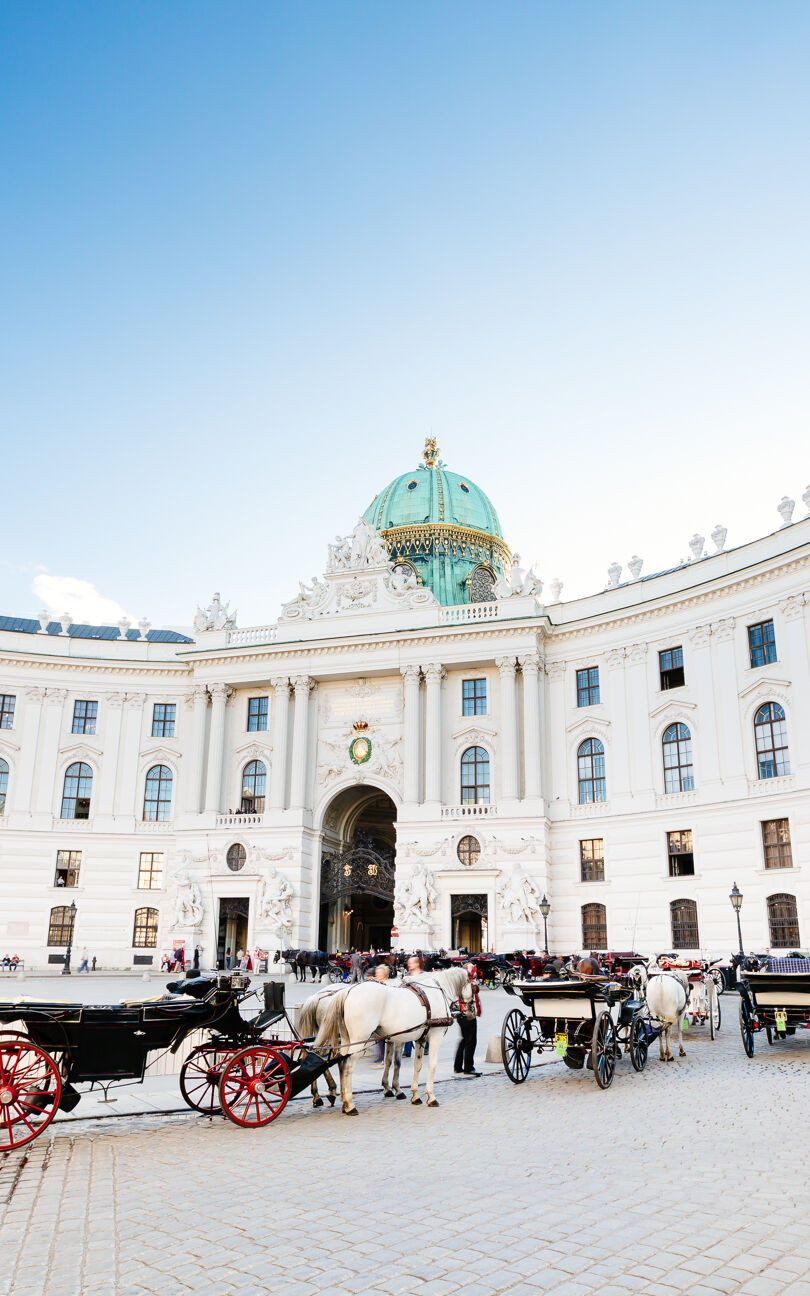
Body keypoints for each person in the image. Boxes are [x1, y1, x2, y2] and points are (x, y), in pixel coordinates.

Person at [454, 962, 482, 1077]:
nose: (474, 971)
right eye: (472, 969)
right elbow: (467, 996)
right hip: (467, 1013)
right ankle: (469, 1068)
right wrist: (473, 983)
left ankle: (458, 1066)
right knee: (471, 1041)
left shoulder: (462, 981)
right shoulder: (466, 982)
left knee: (464, 1040)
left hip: (462, 1014)